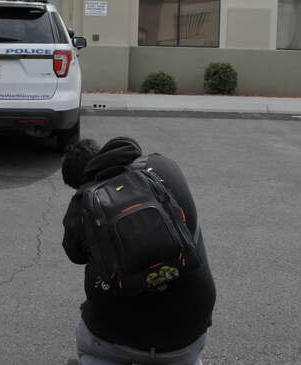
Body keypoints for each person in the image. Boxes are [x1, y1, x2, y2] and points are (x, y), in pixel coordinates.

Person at [61, 137, 216, 365]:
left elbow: (75, 255)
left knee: (90, 350)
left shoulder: (83, 202)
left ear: (80, 183)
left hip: (114, 334)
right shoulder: (163, 166)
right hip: (187, 327)